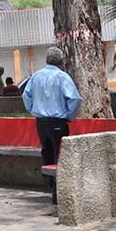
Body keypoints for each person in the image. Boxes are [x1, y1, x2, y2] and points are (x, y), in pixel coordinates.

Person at [23, 47, 82, 195]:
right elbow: (74, 98)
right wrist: (70, 116)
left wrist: (33, 109)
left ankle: (50, 185)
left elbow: (26, 95)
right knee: (59, 155)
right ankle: (58, 190)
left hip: (41, 122)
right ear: (61, 61)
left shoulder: (36, 76)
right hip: (57, 122)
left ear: (46, 60)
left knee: (46, 152)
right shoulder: (62, 77)